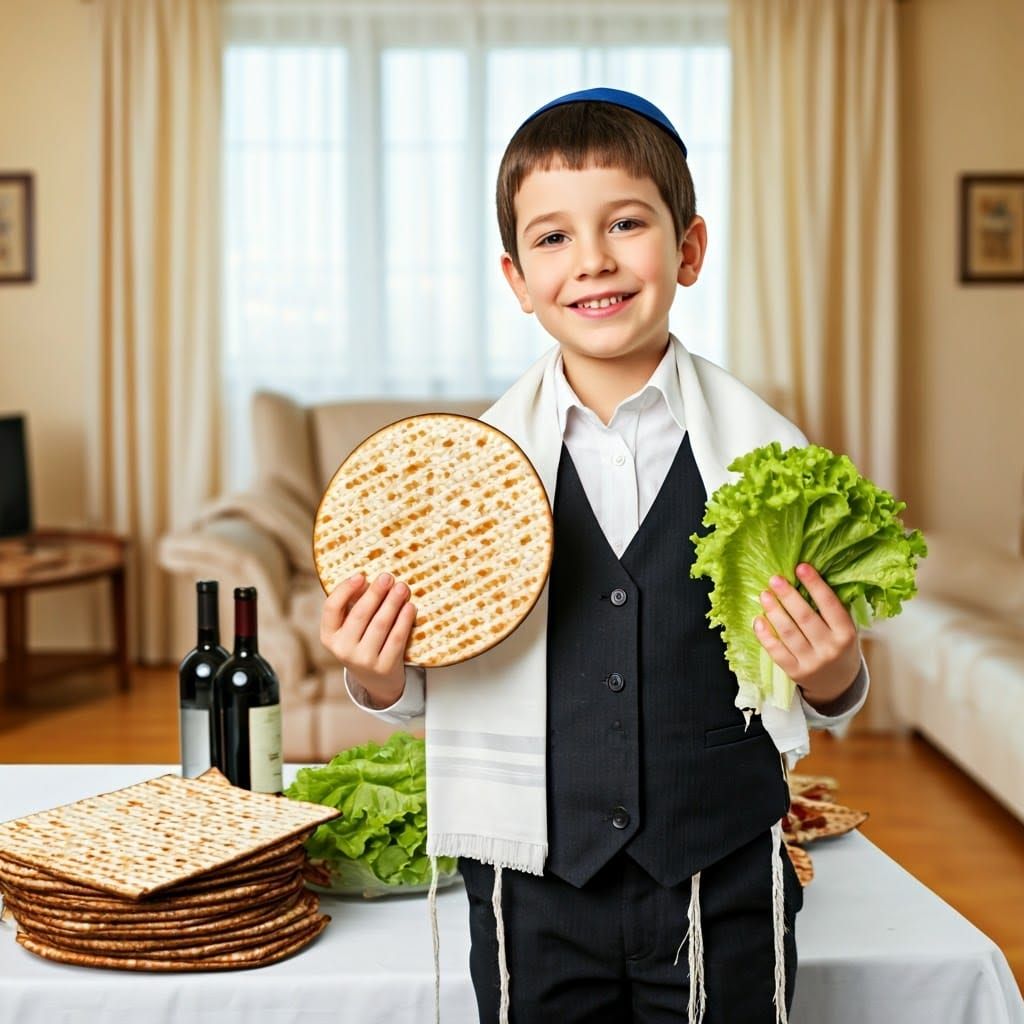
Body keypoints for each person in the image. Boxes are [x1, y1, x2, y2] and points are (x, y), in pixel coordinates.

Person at [320, 88, 868, 1024]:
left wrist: (835, 672)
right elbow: (420, 682)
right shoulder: (466, 478)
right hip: (530, 883)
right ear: (516, 278)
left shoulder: (776, 463)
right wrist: (375, 677)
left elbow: (827, 680)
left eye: (625, 223)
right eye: (553, 238)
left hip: (721, 876)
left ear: (688, 248)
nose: (595, 262)